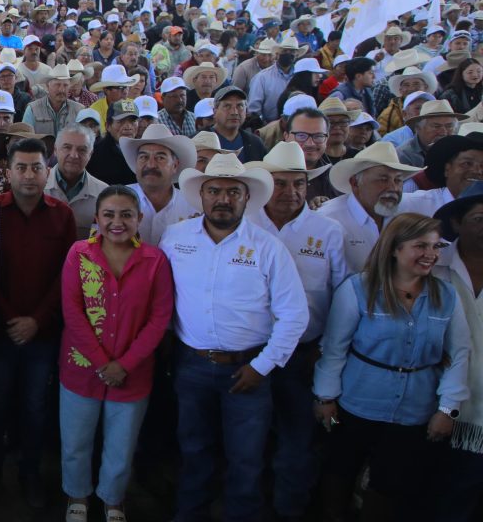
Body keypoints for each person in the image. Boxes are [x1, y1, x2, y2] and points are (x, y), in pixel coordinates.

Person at [160, 153, 309, 522]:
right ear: (202, 195)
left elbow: (294, 314)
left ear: (246, 198)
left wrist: (263, 366)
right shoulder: (175, 237)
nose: (223, 199)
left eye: (232, 192)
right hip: (190, 364)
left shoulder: (268, 248)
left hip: (248, 369)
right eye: (214, 190)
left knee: (246, 459)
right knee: (193, 450)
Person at [313, 213, 469, 521]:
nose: (431, 254)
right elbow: (334, 348)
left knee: (391, 486)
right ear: (395, 248)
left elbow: (460, 353)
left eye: (435, 246)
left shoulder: (446, 295)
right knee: (339, 473)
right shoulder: (358, 289)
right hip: (356, 404)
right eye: (420, 245)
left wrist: (448, 409)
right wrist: (325, 398)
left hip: (415, 410)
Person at [242, 142, 349, 521]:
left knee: (297, 445)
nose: (291, 192)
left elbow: (341, 296)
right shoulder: (246, 223)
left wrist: (327, 350)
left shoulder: (328, 230)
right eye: (281, 183)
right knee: (247, 444)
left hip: (305, 355)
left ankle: (289, 512)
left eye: (299, 183)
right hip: (251, 354)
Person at [59, 185, 175, 522]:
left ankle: (113, 498)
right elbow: (72, 312)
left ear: (139, 219)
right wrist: (102, 363)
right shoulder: (78, 254)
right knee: (76, 443)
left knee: (121, 449)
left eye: (126, 214)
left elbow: (159, 319)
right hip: (81, 371)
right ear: (96, 218)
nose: (117, 222)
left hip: (133, 373)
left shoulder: (155, 261)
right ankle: (76, 494)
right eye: (108, 214)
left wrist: (123, 364)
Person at [0, 137, 76, 508]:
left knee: (35, 405)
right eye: (21, 167)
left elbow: (66, 275)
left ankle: (30, 472)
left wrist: (37, 319)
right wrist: (11, 316)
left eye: (36, 167)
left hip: (43, 333)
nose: (29, 175)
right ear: (8, 171)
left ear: (47, 172)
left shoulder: (62, 215)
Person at [430, 182, 483, 521]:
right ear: (456, 224)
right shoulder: (433, 265)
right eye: (479, 218)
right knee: (431, 487)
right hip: (434, 400)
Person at [318, 142, 424, 271]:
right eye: (383, 179)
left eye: (398, 180)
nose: (393, 188)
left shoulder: (406, 216)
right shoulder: (328, 220)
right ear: (355, 183)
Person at [121, 123, 199, 245]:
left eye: (160, 158)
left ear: (175, 165)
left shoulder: (192, 206)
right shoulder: (118, 200)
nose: (151, 164)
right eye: (143, 157)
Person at [87, 99, 140, 185]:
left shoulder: (143, 151)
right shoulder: (94, 154)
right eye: (121, 121)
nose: (128, 127)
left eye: (133, 121)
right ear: (107, 125)